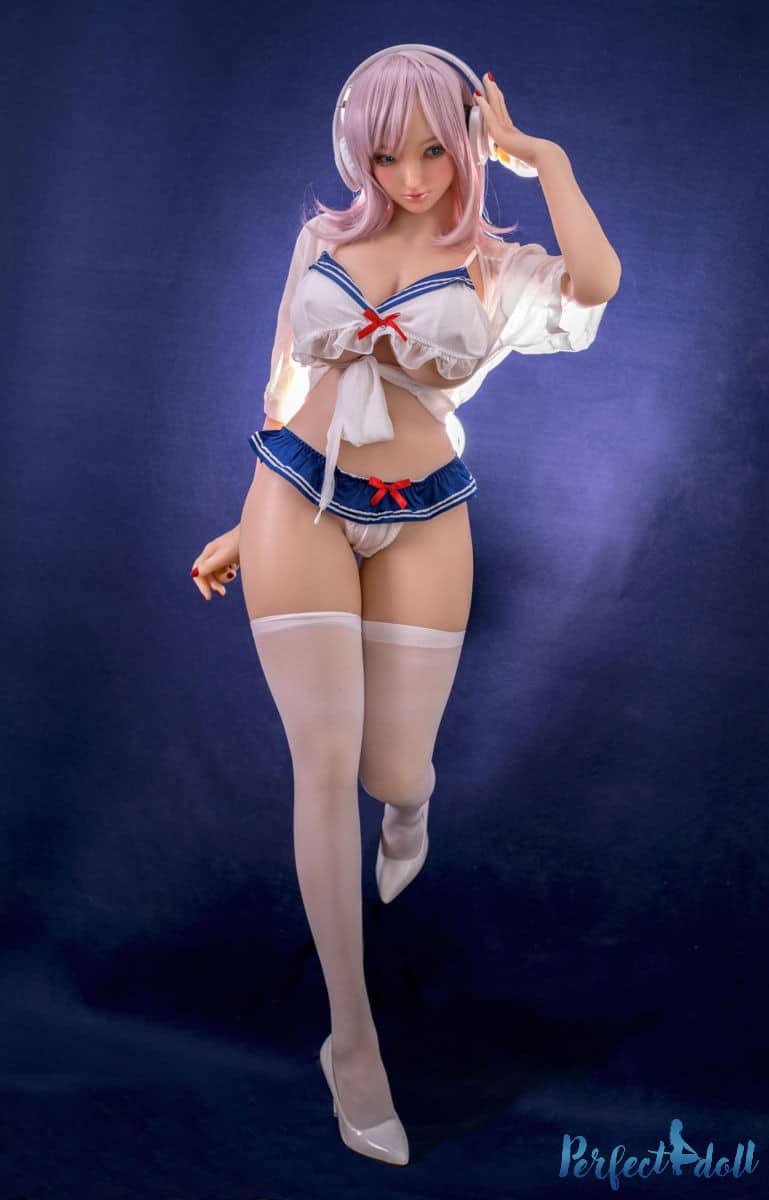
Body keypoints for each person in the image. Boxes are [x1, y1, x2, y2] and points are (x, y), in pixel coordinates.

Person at [189, 45, 621, 1166]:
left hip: (424, 509)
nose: (413, 175)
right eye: (387, 154)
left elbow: (596, 285)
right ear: (357, 149)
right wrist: (244, 518)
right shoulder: (322, 240)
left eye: (434, 148)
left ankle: (411, 808)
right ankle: (352, 1041)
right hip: (294, 498)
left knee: (392, 771)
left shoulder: (491, 262)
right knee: (322, 764)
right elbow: (286, 386)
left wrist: (545, 159)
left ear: (467, 143)